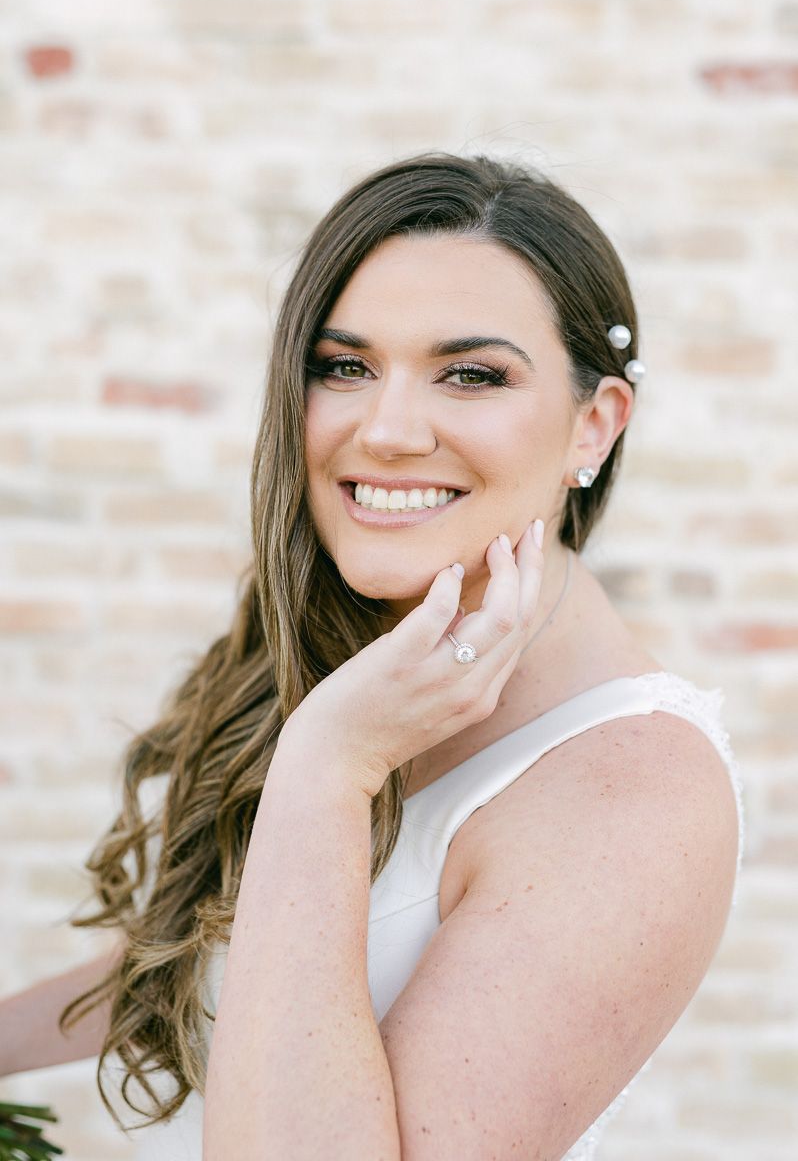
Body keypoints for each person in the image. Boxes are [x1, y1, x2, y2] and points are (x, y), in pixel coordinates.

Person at [0, 151, 745, 1160]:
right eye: (344, 366)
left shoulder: (635, 789)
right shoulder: (356, 648)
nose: (386, 431)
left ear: (595, 423)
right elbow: (219, 963)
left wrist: (325, 770)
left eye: (471, 374)